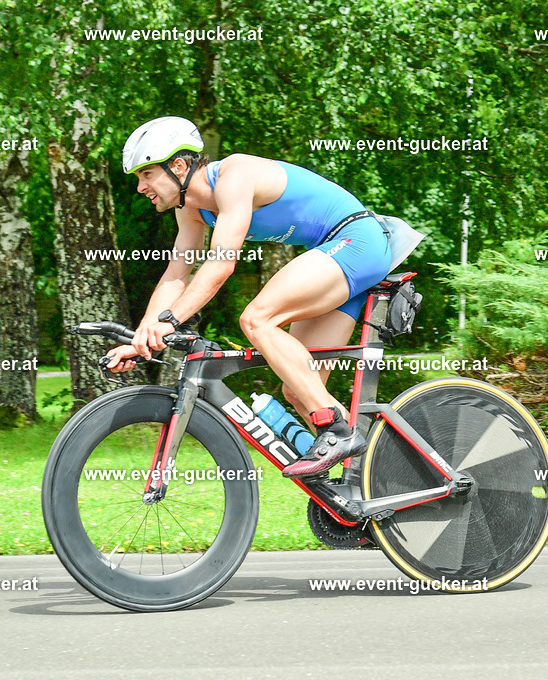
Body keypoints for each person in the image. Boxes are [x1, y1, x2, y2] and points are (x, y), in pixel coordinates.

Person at [104, 116, 393, 478]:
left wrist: (170, 321)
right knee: (300, 391)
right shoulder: (191, 211)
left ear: (178, 165)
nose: (140, 187)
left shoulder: (234, 175)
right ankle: (378, 484)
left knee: (257, 318)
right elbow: (176, 274)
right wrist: (142, 335)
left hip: (356, 241)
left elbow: (221, 264)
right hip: (332, 253)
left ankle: (337, 431)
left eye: (146, 175)